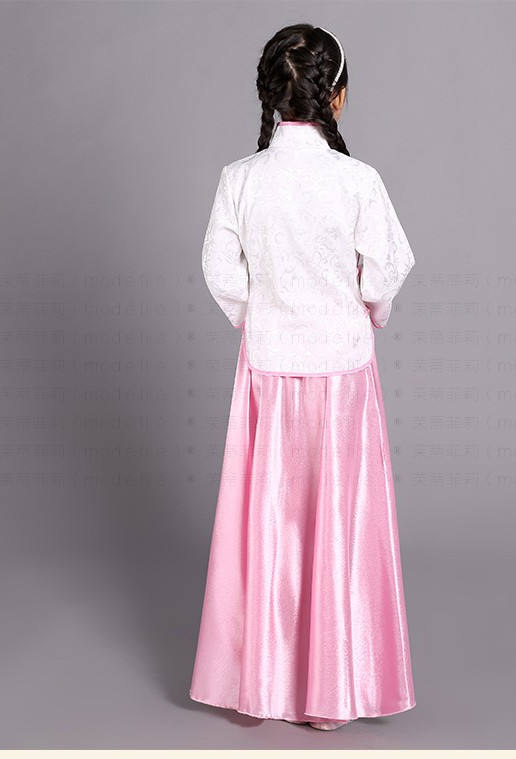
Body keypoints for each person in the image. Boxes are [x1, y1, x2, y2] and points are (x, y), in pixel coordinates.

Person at [189, 23, 416, 732]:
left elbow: (221, 273)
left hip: (269, 368)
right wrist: (366, 310)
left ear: (269, 94)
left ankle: (265, 681)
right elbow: (385, 273)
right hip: (341, 371)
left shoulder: (239, 179)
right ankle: (331, 690)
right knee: (337, 524)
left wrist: (259, 315)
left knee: (270, 521)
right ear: (337, 96)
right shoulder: (357, 181)